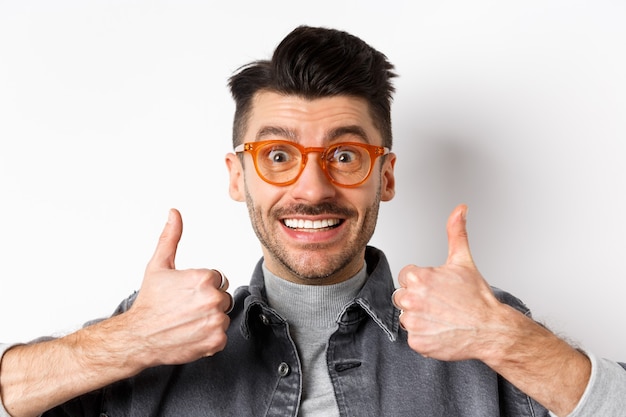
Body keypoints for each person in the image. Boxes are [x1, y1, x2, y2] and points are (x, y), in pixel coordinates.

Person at [1, 25, 625, 417]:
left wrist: (503, 338)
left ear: (384, 174)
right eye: (278, 156)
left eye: (345, 156)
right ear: (236, 175)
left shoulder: (486, 330)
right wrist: (130, 341)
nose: (313, 188)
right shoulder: (152, 332)